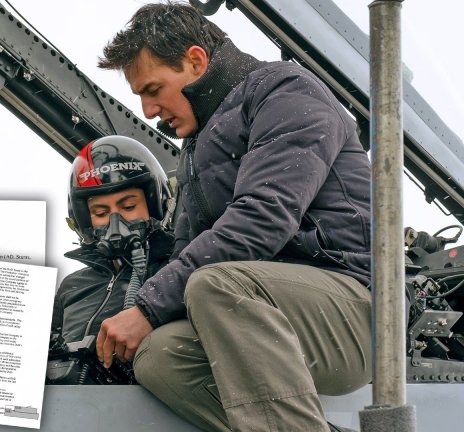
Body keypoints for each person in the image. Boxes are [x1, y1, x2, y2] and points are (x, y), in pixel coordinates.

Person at [94, 2, 372, 431]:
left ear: (195, 61)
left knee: (215, 284)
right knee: (159, 356)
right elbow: (187, 253)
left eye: (153, 89)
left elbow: (262, 217)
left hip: (358, 310)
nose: (148, 110)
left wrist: (147, 307)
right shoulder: (197, 145)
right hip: (264, 309)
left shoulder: (286, 91)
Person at [49, 135, 174, 383]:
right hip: (70, 404)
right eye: (101, 212)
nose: (115, 224)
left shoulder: (175, 274)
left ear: (154, 205)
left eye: (128, 207)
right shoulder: (71, 286)